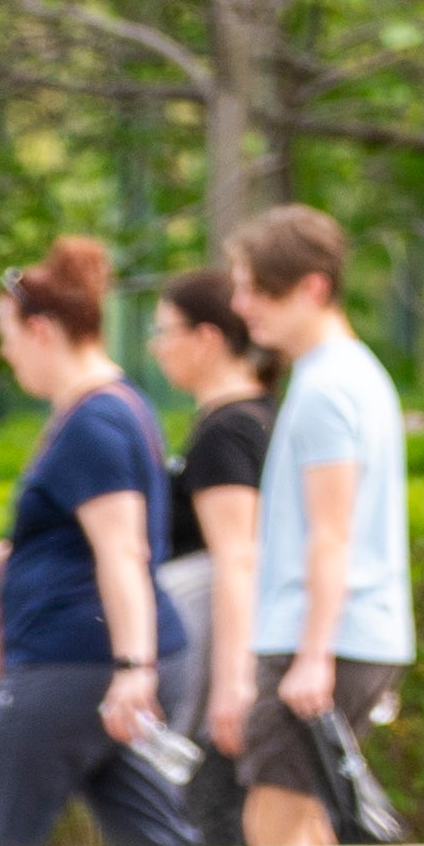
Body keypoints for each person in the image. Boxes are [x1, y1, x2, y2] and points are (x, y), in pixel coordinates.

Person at [0, 237, 190, 846]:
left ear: (40, 330)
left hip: (69, 667)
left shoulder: (93, 422)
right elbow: (72, 535)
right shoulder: (114, 407)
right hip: (98, 666)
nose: (6, 355)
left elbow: (123, 551)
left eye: (6, 336)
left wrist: (133, 670)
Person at [208, 204, 417, 846]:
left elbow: (332, 533)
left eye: (256, 288)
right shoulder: (353, 376)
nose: (241, 305)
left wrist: (313, 654)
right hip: (353, 635)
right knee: (311, 831)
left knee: (272, 832)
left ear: (313, 288)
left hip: (324, 637)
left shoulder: (328, 388)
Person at [142, 260, 273, 789]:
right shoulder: (253, 417)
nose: (157, 346)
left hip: (214, 658)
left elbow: (238, 558)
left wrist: (232, 681)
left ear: (207, 338)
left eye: (164, 331)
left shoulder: (229, 431)